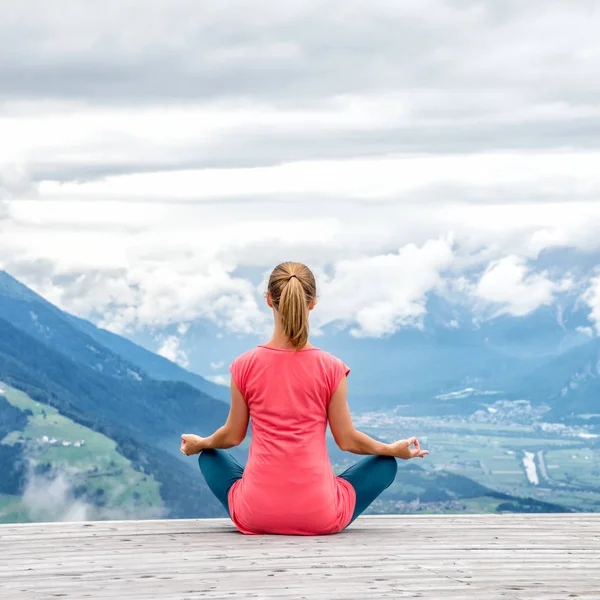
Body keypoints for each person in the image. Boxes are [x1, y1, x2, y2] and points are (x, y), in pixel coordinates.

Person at [180, 261, 429, 535]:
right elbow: (347, 440)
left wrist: (200, 444)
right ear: (312, 303)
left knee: (209, 455)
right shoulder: (332, 368)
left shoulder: (244, 365)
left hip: (255, 514)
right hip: (320, 516)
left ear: (268, 300)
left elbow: (231, 437)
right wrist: (392, 449)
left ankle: (260, 496)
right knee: (384, 464)